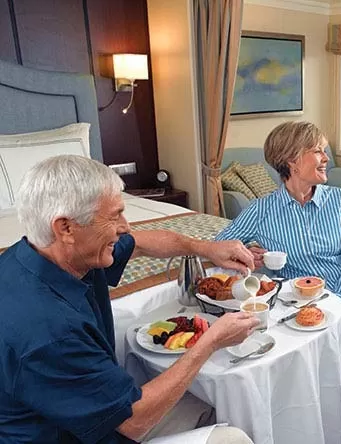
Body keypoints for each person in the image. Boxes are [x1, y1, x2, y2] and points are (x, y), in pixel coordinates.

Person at [0, 155, 260, 444]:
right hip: (76, 435)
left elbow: (140, 244)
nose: (125, 226)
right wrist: (211, 342)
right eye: (114, 216)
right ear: (66, 228)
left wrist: (205, 248)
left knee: (217, 405)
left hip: (87, 411)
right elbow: (133, 422)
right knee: (234, 437)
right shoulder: (50, 330)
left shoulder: (44, 255)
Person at [216, 121, 341, 444]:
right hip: (311, 315)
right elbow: (220, 247)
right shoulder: (262, 211)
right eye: (317, 151)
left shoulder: (338, 199)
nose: (326, 158)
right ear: (292, 160)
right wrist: (248, 254)